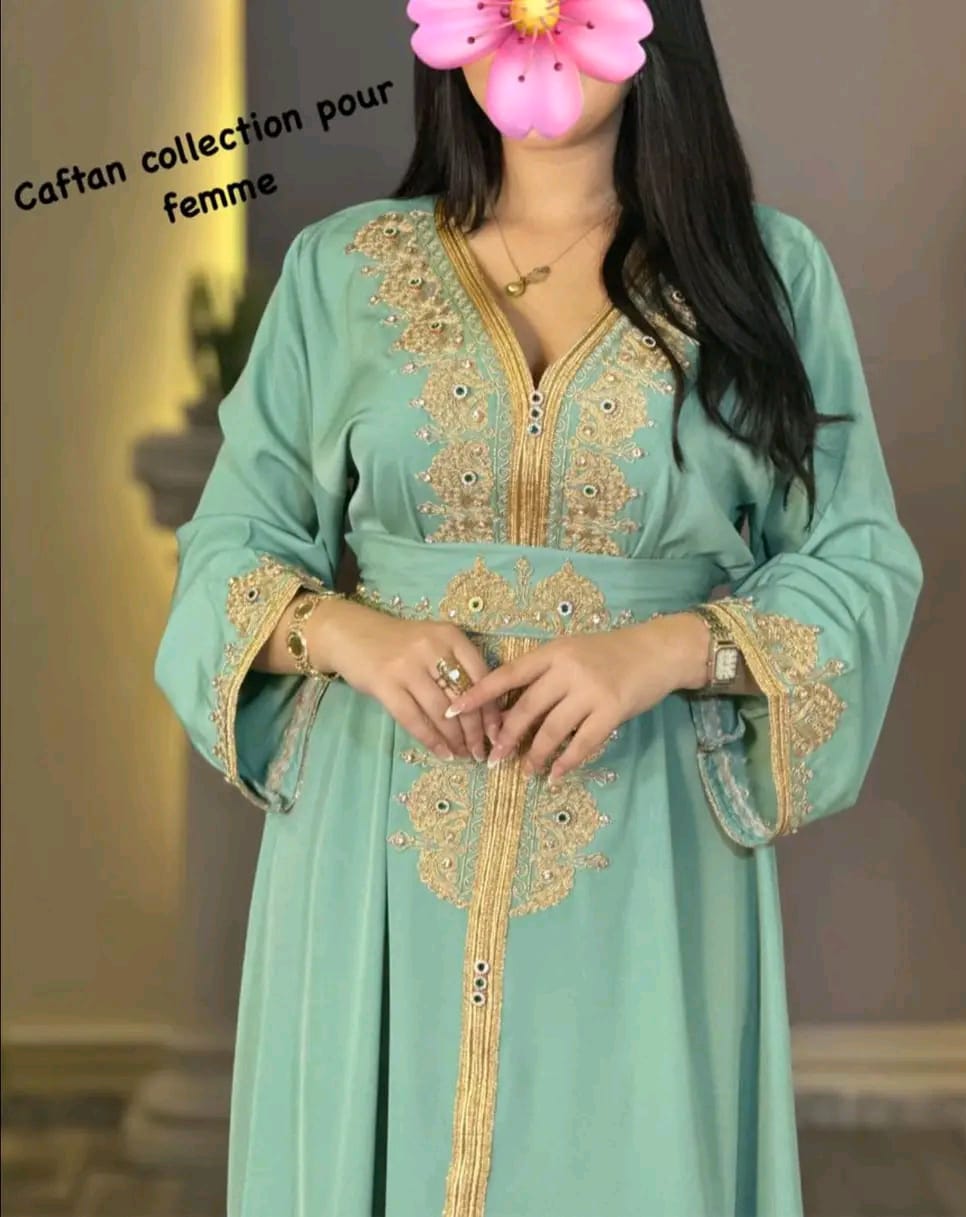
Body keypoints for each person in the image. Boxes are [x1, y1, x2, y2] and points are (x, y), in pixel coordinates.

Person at [154, 1, 923, 1213]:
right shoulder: (342, 272)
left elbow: (858, 559)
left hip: (643, 836)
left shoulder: (766, 275)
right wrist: (347, 632)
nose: (538, 20)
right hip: (375, 839)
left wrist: (667, 649)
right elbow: (227, 547)